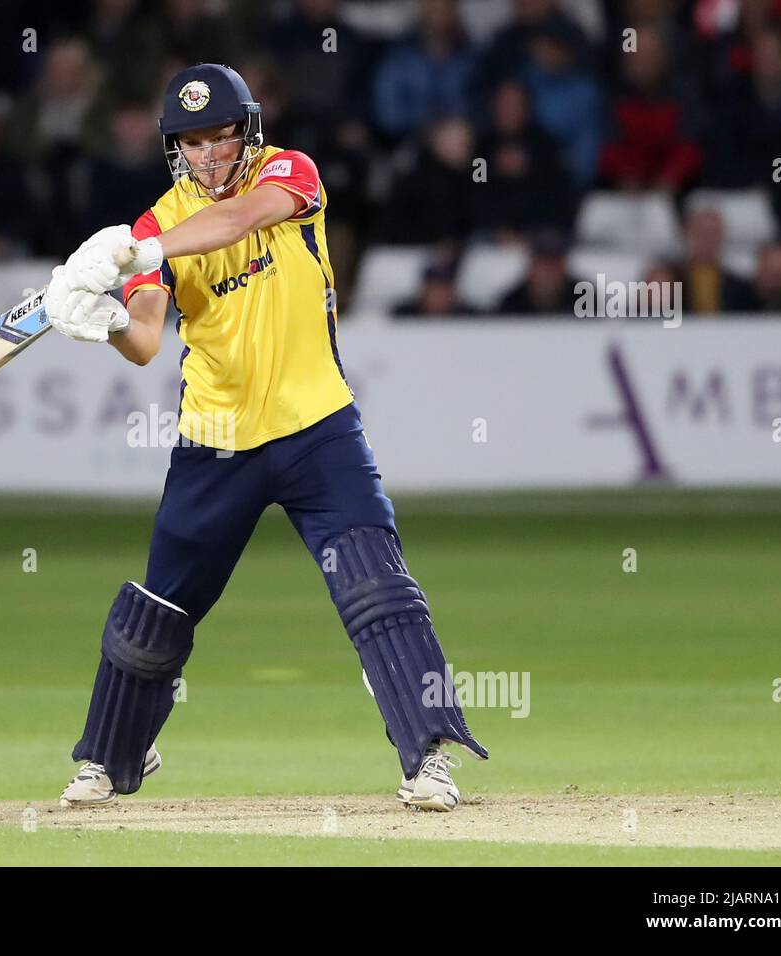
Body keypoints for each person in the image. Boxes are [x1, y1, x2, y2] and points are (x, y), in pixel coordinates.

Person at [42, 64, 488, 812]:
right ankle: (112, 756)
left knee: (377, 586)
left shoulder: (287, 172)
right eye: (193, 144)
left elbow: (244, 218)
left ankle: (428, 757)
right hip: (215, 439)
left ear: (246, 130)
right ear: (173, 149)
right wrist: (108, 321)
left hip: (319, 426)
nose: (210, 156)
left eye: (221, 137)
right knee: (159, 613)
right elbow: (149, 339)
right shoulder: (154, 226)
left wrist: (143, 253)